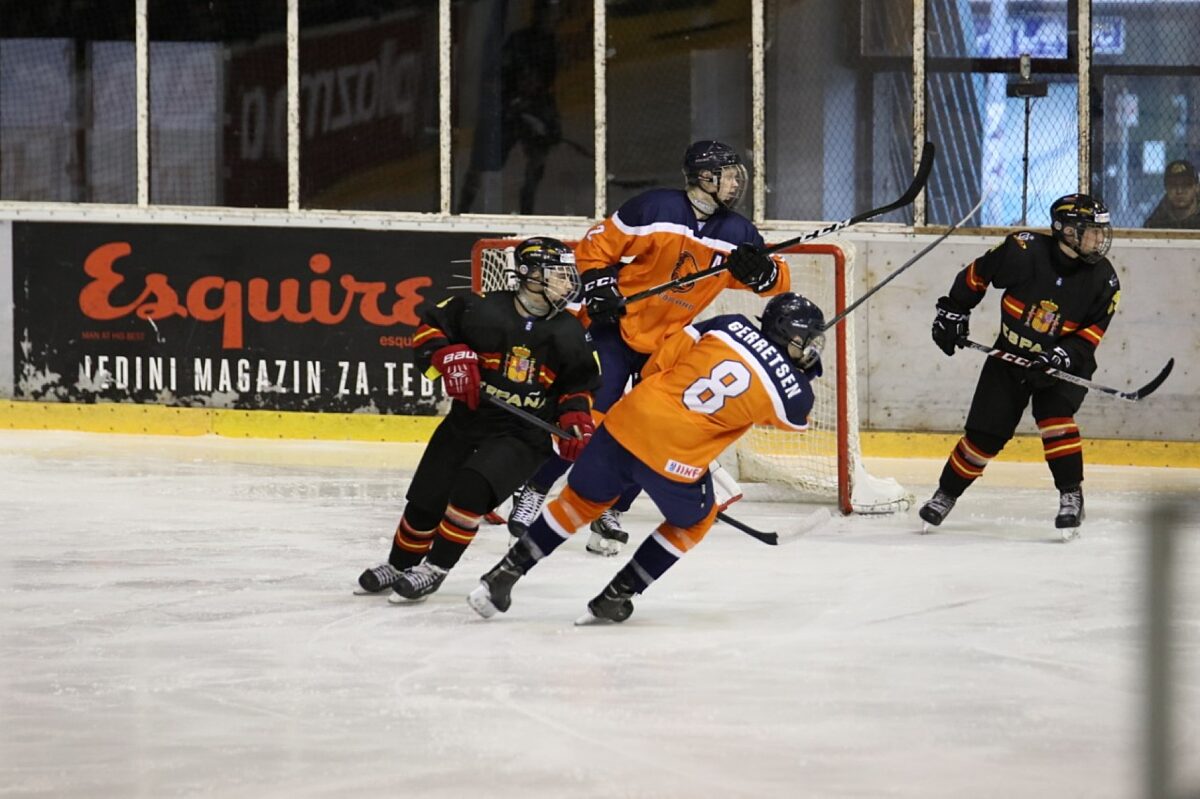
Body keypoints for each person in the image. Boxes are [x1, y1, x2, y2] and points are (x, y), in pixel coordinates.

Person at [505, 139, 792, 557]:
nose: (736, 183)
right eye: (729, 175)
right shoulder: (655, 208)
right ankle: (534, 487)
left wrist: (764, 271)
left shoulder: (737, 232)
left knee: (653, 431)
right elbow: (594, 248)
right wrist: (601, 284)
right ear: (705, 177)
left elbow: (777, 281)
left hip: (670, 342)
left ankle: (610, 509)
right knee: (592, 418)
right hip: (618, 328)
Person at [468, 292, 826, 624]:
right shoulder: (794, 393)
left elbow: (661, 362)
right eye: (809, 338)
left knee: (579, 502)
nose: (812, 346)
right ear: (788, 333)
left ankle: (505, 573)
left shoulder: (726, 323)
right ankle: (616, 595)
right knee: (694, 522)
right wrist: (800, 373)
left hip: (626, 421)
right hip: (675, 458)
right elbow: (794, 421)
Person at [355, 237, 601, 602]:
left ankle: (436, 568)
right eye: (560, 275)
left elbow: (579, 385)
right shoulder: (477, 307)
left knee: (471, 489)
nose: (570, 283)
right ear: (531, 275)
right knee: (427, 498)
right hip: (467, 421)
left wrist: (576, 418)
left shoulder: (570, 331)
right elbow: (428, 330)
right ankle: (400, 563)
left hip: (523, 433)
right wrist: (447, 355)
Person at [919, 194, 1121, 541]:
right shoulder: (1022, 250)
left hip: (1061, 364)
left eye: (1102, 232)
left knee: (1054, 417)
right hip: (1009, 357)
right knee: (983, 436)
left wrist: (1058, 357)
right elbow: (975, 276)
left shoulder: (1104, 280)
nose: (1099, 239)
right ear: (1066, 231)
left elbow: (1089, 338)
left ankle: (1071, 495)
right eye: (1091, 231)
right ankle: (946, 494)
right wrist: (953, 310)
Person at [457, 3, 561, 214]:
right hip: (508, 109)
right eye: (547, 13)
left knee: (537, 159)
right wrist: (510, 100)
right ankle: (462, 208)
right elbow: (500, 75)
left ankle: (526, 212)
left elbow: (547, 83)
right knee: (482, 161)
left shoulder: (551, 44)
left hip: (534, 107)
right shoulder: (518, 41)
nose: (551, 19)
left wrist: (547, 121)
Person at [1143, 159, 1200, 229]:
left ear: (1197, 187)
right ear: (1166, 188)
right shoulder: (1156, 221)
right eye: (1173, 185)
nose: (1179, 191)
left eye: (1186, 185)